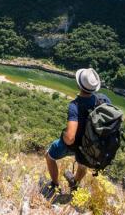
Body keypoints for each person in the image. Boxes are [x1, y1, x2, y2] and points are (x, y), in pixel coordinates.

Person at [43, 67, 103, 196]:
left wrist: (64, 133)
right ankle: (74, 183)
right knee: (83, 164)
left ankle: (54, 184)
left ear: (78, 84)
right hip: (90, 144)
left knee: (49, 156)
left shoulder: (75, 105)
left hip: (74, 145)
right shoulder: (103, 99)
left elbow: (70, 138)